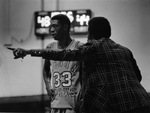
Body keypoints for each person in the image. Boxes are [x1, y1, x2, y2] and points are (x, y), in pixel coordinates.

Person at [10, 17, 150, 113]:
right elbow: (138, 76)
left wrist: (28, 51)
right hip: (142, 102)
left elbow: (64, 54)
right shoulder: (125, 49)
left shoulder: (92, 47)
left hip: (116, 106)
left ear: (91, 32)